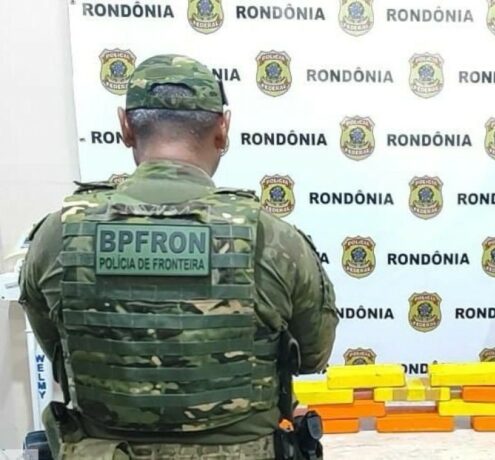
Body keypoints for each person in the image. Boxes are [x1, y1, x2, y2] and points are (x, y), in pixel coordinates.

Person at [19, 54, 339, 460]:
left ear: (125, 127)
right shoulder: (274, 240)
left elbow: (57, 349)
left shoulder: (57, 236)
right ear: (222, 129)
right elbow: (312, 355)